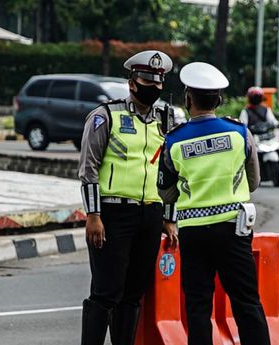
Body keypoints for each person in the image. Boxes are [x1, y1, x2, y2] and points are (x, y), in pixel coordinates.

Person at [156, 62, 271, 345]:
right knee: (246, 301)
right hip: (234, 229)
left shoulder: (174, 141)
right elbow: (253, 181)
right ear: (219, 99)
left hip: (194, 233)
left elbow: (165, 192)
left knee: (197, 305)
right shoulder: (239, 133)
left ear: (188, 99)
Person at [78, 50, 178, 345]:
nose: (154, 88)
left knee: (134, 293)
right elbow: (89, 168)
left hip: (149, 216)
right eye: (147, 81)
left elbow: (170, 174)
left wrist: (169, 218)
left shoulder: (165, 120)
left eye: (158, 83)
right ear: (132, 82)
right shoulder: (105, 115)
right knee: (107, 291)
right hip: (111, 215)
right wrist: (93, 215)